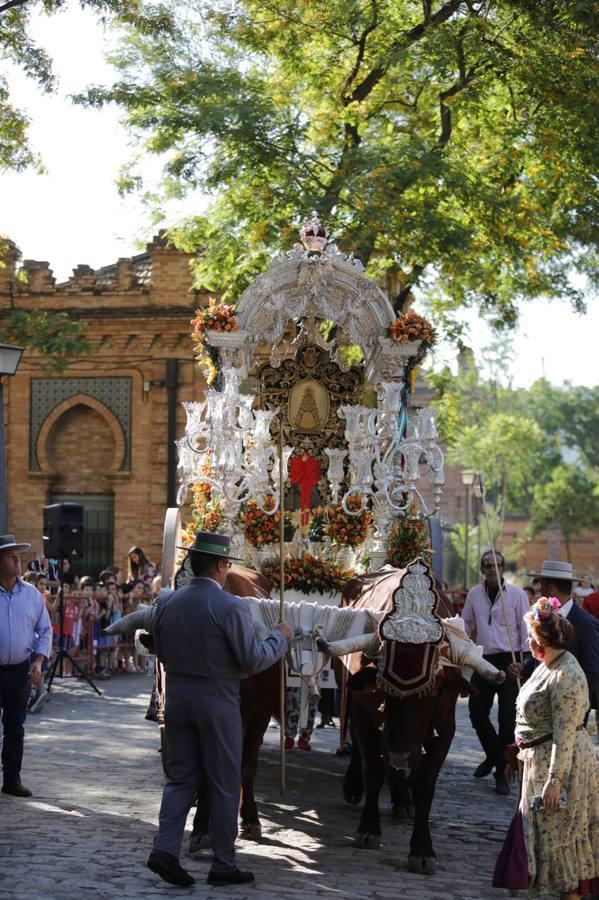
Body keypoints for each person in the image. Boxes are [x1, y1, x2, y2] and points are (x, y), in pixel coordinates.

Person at [147, 531, 291, 888]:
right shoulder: (231, 606)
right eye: (228, 564)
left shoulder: (167, 603)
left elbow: (160, 651)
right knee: (226, 781)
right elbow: (252, 659)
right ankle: (224, 863)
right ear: (223, 565)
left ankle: (165, 849)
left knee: (180, 778)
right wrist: (280, 638)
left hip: (178, 697)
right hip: (218, 700)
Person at [493, 596, 599, 898]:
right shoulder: (547, 664)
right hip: (538, 762)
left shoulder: (566, 674)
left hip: (563, 768)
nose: (527, 641)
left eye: (531, 636)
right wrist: (516, 756)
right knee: (544, 843)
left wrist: (555, 780)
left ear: (542, 640)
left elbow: (565, 733)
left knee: (565, 849)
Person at [461, 550, 530, 795]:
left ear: (503, 568)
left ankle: (501, 773)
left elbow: (526, 629)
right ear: (482, 569)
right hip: (483, 658)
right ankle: (493, 755)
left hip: (510, 660)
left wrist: (524, 663)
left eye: (497, 565)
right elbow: (466, 624)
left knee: (507, 720)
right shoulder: (474, 594)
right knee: (477, 713)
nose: (492, 568)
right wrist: (460, 647)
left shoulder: (517, 594)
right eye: (487, 565)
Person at [510, 561, 599, 730]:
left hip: (570, 711)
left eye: (541, 586)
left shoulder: (586, 624)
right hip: (542, 708)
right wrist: (524, 667)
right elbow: (539, 656)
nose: (539, 591)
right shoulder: (542, 617)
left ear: (550, 588)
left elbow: (592, 670)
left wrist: (572, 701)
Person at [0, 534, 52, 797]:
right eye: (11, 555)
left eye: (18, 555)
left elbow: (45, 631)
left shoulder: (32, 595)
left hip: (19, 669)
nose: (17, 560)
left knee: (15, 727)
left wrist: (39, 661)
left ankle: (11, 779)